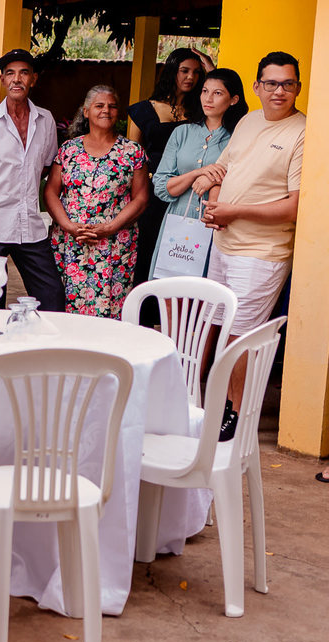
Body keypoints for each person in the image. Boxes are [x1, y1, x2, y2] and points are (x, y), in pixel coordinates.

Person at [198, 52, 302, 439]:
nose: (279, 91)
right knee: (220, 326)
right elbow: (224, 168)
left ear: (298, 88)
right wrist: (215, 205)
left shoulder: (303, 132)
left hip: (261, 252)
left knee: (241, 336)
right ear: (257, 87)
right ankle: (223, 403)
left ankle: (237, 415)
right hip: (224, 242)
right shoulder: (247, 120)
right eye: (271, 83)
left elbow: (293, 206)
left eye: (288, 84)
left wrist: (233, 211)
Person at [0, 49, 64, 311]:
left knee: (52, 297)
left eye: (23, 73)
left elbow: (46, 167)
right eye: (10, 73)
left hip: (30, 224)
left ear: (33, 79)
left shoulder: (46, 120)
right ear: (2, 80)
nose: (16, 79)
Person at [45, 84, 149, 319]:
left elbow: (141, 198)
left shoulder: (132, 151)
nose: (106, 110)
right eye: (99, 105)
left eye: (112, 106)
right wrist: (69, 226)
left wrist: (110, 227)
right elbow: (51, 192)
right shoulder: (68, 150)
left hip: (115, 243)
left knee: (111, 307)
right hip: (72, 241)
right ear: (86, 111)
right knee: (66, 308)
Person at [128, 48, 213, 303]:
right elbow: (134, 158)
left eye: (197, 73)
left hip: (191, 192)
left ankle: (175, 319)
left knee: (183, 254)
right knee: (148, 252)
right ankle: (142, 316)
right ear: (171, 71)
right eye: (184, 71)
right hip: (154, 191)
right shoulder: (142, 110)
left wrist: (212, 70)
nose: (191, 77)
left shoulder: (201, 112)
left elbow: (230, 109)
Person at [148, 68, 248, 278]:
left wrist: (211, 181)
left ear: (234, 99)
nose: (208, 98)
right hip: (178, 220)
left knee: (205, 294)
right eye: (204, 91)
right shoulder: (182, 133)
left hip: (217, 225)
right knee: (170, 290)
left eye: (218, 93)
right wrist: (198, 173)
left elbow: (243, 182)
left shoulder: (240, 138)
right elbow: (161, 186)